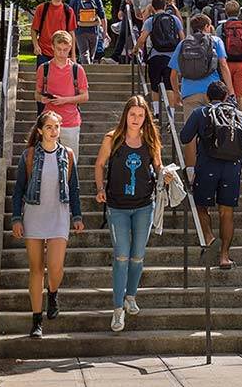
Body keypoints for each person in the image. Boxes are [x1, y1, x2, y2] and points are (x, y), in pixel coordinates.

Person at [94, 95, 172, 332]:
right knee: (121, 256)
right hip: (117, 207)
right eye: (132, 115)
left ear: (146, 117)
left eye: (141, 115)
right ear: (125, 115)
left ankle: (131, 295)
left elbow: (158, 167)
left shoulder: (150, 140)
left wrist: (166, 174)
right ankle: (117, 310)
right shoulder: (112, 138)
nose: (136, 119)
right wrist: (99, 189)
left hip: (143, 206)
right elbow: (99, 165)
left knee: (137, 255)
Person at [11, 111, 83, 338]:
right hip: (34, 215)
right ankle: (36, 319)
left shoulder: (68, 155)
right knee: (35, 269)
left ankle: (53, 292)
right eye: (50, 127)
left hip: (59, 216)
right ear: (40, 130)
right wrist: (16, 218)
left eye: (57, 127)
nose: (54, 131)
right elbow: (18, 190)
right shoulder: (29, 155)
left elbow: (75, 189)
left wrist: (77, 216)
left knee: (55, 267)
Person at [180, 81, 242, 269]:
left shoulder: (201, 112)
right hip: (232, 168)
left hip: (207, 166)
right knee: (226, 212)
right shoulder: (238, 114)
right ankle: (224, 257)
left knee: (200, 204)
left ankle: (209, 236)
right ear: (225, 97)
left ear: (207, 97)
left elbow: (184, 137)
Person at [169, 14, 235, 170]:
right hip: (214, 92)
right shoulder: (216, 41)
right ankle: (217, 164)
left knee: (190, 132)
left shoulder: (184, 43)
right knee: (218, 126)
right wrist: (230, 91)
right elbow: (224, 66)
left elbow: (172, 74)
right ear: (207, 27)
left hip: (189, 93)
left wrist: (177, 93)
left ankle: (191, 170)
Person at [35, 31, 89, 157]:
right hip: (48, 123)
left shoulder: (77, 69)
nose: (62, 53)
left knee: (70, 161)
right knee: (48, 161)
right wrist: (41, 98)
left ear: (70, 48)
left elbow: (85, 96)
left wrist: (64, 100)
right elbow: (36, 94)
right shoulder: (44, 69)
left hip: (70, 122)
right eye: (59, 49)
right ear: (52, 47)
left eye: (65, 50)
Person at [132, 0, 184, 119]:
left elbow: (142, 38)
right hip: (171, 58)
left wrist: (135, 49)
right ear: (165, 6)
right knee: (169, 86)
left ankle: (156, 113)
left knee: (155, 85)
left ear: (153, 8)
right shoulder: (174, 19)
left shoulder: (150, 20)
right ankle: (171, 114)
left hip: (155, 56)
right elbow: (182, 37)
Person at [215, 0, 242, 113]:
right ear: (239, 12)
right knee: (241, 96)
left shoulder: (221, 28)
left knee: (226, 94)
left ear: (226, 12)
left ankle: (226, 120)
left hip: (225, 65)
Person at [31, 0, 77, 68]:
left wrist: (73, 55)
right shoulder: (41, 8)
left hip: (62, 51)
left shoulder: (68, 11)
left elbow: (72, 34)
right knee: (43, 79)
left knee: (60, 79)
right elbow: (34, 29)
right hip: (43, 51)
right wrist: (36, 46)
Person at [69, 0, 109, 65]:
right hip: (94, 30)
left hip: (80, 31)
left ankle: (86, 72)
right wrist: (105, 33)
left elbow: (69, 17)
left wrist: (70, 32)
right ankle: (88, 70)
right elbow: (103, 17)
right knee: (91, 54)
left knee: (84, 53)